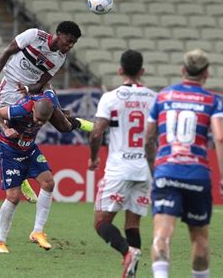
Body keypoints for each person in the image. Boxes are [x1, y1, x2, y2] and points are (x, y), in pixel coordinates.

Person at [145, 49, 223, 278]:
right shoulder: (213, 101)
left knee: (162, 236)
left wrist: (155, 168)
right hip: (197, 174)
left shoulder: (162, 97)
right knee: (200, 239)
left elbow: (148, 138)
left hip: (166, 170)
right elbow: (221, 138)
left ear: (183, 70)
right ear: (207, 73)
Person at [0, 21, 91, 202]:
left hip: (30, 91)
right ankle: (22, 179)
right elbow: (7, 52)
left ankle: (78, 122)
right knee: (15, 133)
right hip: (11, 87)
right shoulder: (34, 35)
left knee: (63, 126)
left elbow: (42, 83)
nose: (70, 46)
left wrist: (29, 90)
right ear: (59, 34)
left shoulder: (59, 58)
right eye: (68, 41)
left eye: (73, 43)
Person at [88, 50, 156, 278]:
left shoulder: (111, 97)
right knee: (132, 223)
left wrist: (94, 157)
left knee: (100, 221)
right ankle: (132, 273)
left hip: (119, 167)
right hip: (142, 168)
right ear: (142, 71)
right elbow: (153, 138)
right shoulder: (153, 97)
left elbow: (96, 133)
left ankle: (127, 252)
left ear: (120, 71)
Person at [0, 91, 79, 253]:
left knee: (48, 182)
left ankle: (37, 231)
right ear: (33, 110)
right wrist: (5, 129)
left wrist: (62, 111)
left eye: (43, 121)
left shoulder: (50, 102)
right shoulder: (22, 108)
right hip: (10, 151)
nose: (39, 122)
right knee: (13, 197)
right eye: (37, 119)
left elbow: (50, 91)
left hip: (29, 149)